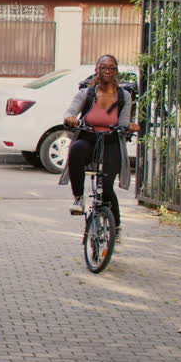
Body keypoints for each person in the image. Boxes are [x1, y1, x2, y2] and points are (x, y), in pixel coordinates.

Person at [60, 54, 140, 233]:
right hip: (89, 138)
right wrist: (70, 118)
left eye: (111, 68)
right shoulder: (86, 93)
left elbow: (124, 121)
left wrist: (130, 126)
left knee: (106, 189)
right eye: (103, 67)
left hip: (111, 141)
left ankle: (116, 227)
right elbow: (70, 111)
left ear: (116, 72)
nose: (107, 71)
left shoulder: (123, 96)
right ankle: (79, 198)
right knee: (76, 149)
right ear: (97, 70)